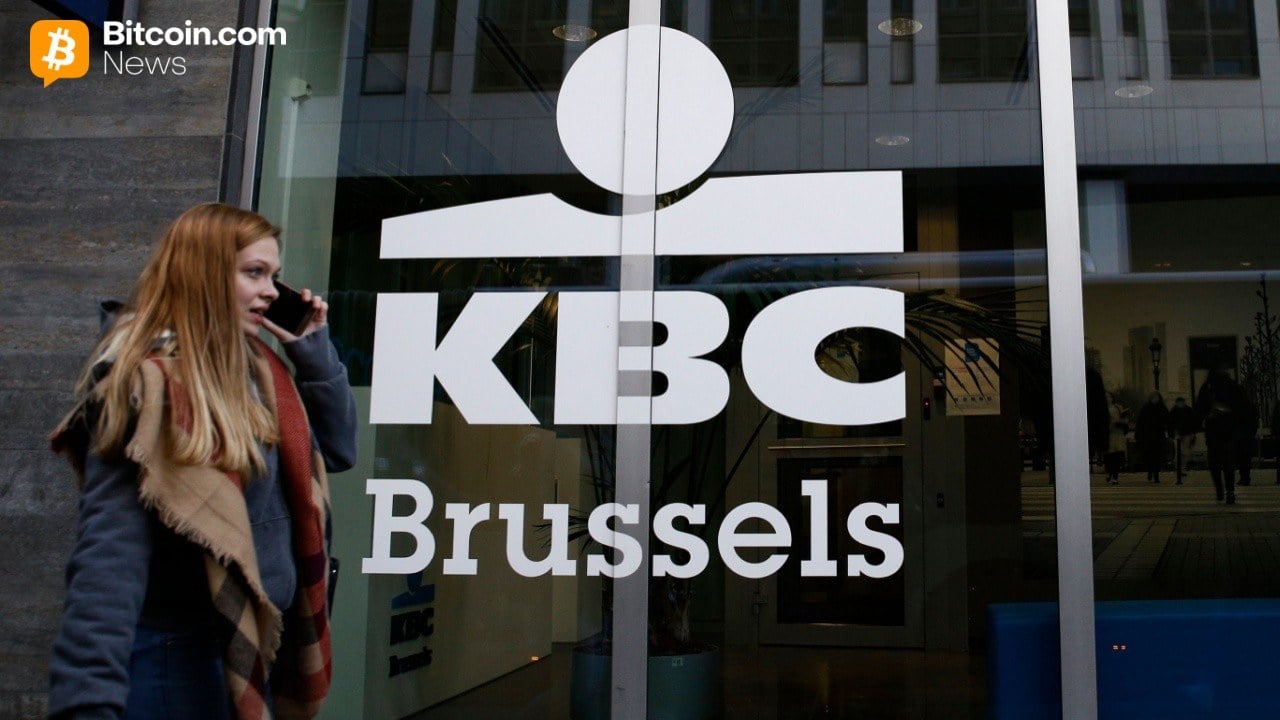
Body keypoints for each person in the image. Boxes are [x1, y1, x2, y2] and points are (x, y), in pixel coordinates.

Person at [47, 203, 358, 720]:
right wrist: (87, 703)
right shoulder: (147, 387)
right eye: (254, 273)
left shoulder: (260, 370)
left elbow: (341, 446)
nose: (271, 292)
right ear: (203, 274)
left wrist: (311, 347)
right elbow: (109, 561)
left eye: (274, 276)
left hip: (250, 650)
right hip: (175, 658)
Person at [1195, 366, 1245, 504]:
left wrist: (1200, 421)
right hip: (1227, 428)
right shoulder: (1231, 386)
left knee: (1215, 462)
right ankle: (1229, 491)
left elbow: (1200, 408)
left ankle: (1220, 489)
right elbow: (1241, 406)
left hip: (1215, 428)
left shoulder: (1208, 387)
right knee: (1227, 462)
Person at [1134, 392, 1170, 483]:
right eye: (1153, 397)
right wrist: (1138, 434)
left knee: (1158, 456)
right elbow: (1140, 422)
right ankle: (1150, 471)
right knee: (1149, 455)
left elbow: (1168, 421)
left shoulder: (1162, 408)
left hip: (1158, 436)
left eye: (1156, 397)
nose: (1155, 399)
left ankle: (1156, 474)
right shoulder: (1146, 408)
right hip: (1147, 436)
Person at [1167, 396, 1198, 484]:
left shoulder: (1184, 411)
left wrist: (1192, 433)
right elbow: (1170, 424)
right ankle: (1180, 468)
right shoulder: (1177, 411)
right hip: (1180, 434)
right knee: (1180, 452)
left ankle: (1181, 468)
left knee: (1184, 452)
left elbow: (1193, 422)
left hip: (1185, 433)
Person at [1105, 394, 1128, 485]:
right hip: (1108, 434)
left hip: (1118, 434)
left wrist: (1122, 421)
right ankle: (1110, 473)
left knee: (1116, 456)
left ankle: (1115, 476)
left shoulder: (1118, 407)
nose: (1108, 399)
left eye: (1109, 397)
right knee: (1109, 456)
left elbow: (1124, 418)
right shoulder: (1103, 408)